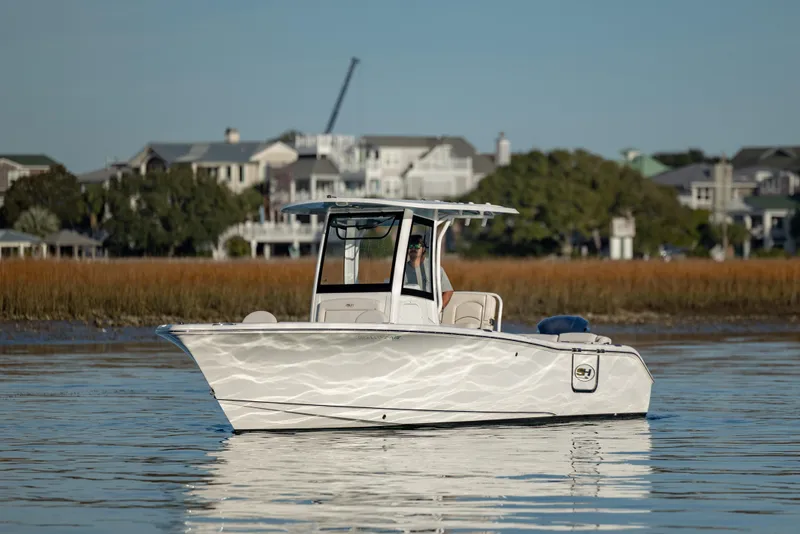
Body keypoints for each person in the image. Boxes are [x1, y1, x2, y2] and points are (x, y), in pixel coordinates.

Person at [404, 234, 454, 309]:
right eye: (410, 246)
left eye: (417, 246)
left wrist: (437, 310)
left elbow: (448, 291)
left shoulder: (435, 268)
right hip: (407, 309)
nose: (413, 248)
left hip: (428, 311)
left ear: (423, 249)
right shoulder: (401, 269)